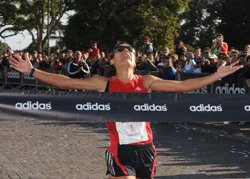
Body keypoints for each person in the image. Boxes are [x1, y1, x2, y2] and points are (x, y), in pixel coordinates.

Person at [10, 42, 243, 179]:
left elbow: (183, 86)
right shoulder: (104, 83)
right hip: (119, 151)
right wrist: (32, 72)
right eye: (120, 50)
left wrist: (215, 75)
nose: (126, 52)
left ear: (134, 58)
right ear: (112, 60)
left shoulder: (147, 81)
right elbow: (64, 82)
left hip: (147, 151)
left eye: (129, 50)